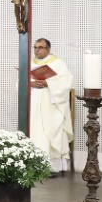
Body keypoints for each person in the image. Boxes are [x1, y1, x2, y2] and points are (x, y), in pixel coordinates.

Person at [27, 39, 73, 174]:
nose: (37, 50)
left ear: (48, 49)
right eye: (35, 47)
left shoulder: (58, 64)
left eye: (40, 47)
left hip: (52, 106)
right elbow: (20, 82)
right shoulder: (29, 63)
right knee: (34, 131)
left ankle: (52, 167)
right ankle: (33, 166)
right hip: (33, 104)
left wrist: (48, 83)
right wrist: (30, 83)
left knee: (51, 132)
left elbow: (66, 82)